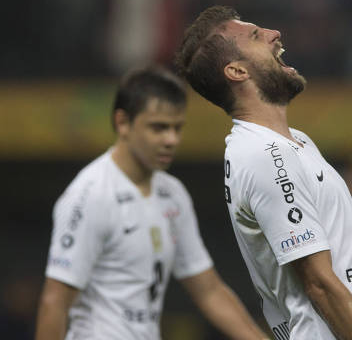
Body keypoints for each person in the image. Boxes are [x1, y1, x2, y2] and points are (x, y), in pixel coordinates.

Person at [174, 5, 352, 340]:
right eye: (255, 35)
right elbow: (319, 284)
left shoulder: (296, 143)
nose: (274, 33)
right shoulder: (264, 155)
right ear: (236, 71)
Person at [35, 66, 268, 340]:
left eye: (177, 128)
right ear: (122, 123)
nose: (171, 140)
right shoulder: (90, 195)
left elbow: (209, 290)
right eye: (158, 127)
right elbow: (55, 302)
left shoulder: (172, 193)